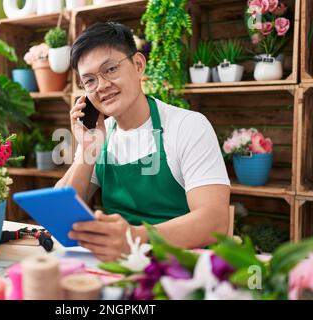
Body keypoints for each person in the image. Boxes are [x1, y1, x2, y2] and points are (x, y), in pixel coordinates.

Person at [55, 22, 230, 262]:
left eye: (111, 69)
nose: (102, 86)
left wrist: (134, 237)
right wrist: (87, 150)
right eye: (90, 81)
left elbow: (214, 222)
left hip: (184, 266)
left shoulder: (188, 126)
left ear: (138, 65)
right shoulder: (100, 135)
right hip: (121, 266)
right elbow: (60, 211)